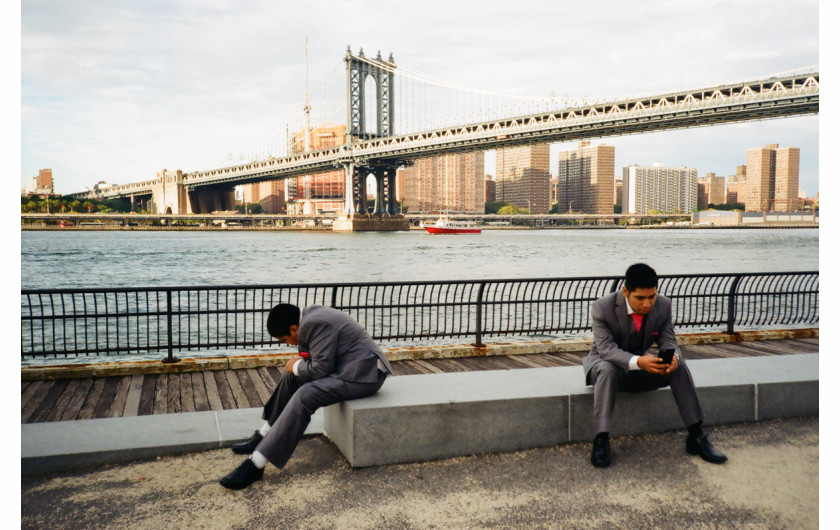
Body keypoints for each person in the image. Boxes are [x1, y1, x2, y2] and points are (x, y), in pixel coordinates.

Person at [220, 303, 392, 490]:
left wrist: (296, 365)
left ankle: (256, 464)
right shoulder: (309, 317)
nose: (287, 344)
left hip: (364, 375)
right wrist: (296, 367)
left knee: (305, 394)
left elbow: (319, 370)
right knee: (292, 374)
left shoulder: (314, 323)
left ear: (294, 328)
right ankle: (264, 434)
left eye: (285, 339)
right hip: (348, 366)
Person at [582, 263, 727, 468]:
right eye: (640, 298)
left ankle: (696, 436)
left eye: (652, 296)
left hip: (640, 368)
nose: (647, 304)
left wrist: (673, 356)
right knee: (607, 368)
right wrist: (639, 361)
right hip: (607, 369)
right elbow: (606, 349)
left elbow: (668, 341)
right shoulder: (602, 307)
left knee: (680, 365)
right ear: (625, 291)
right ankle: (601, 439)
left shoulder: (663, 305)